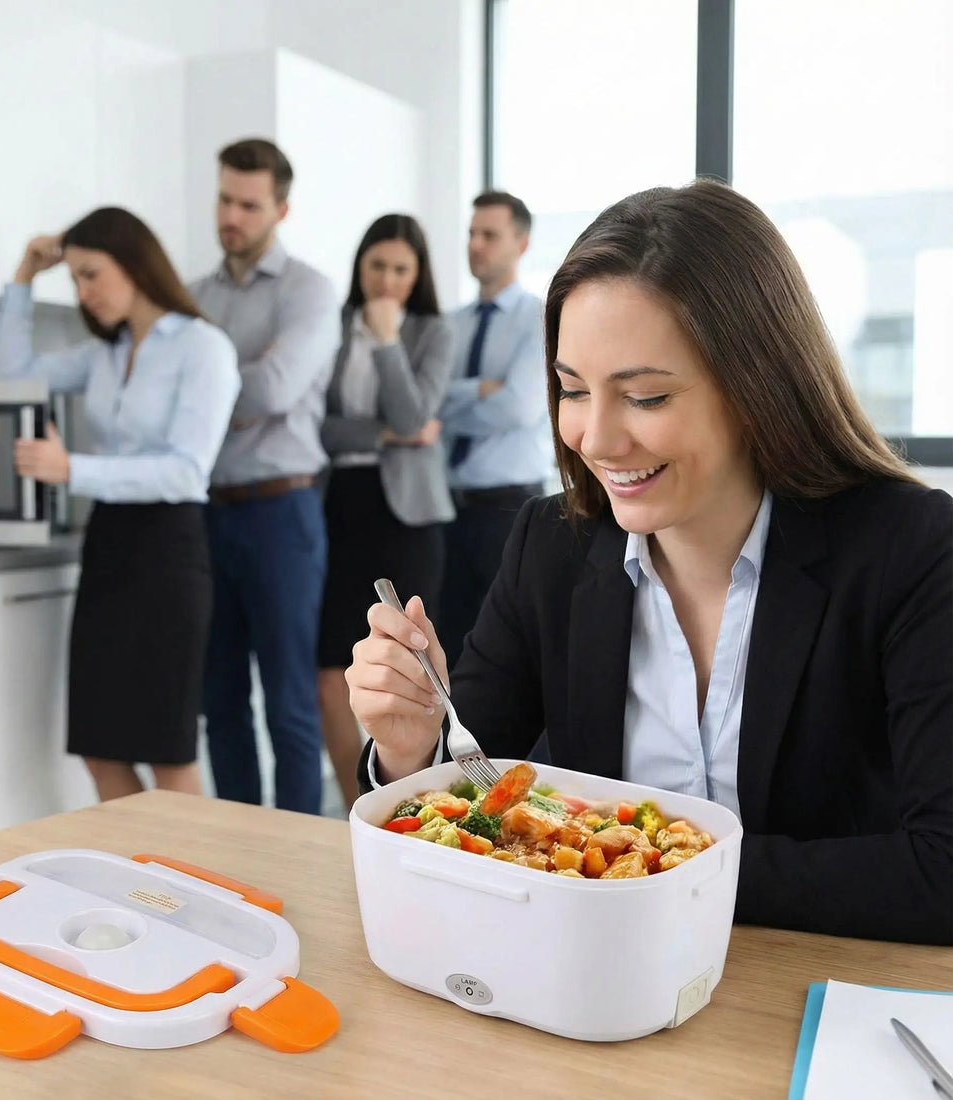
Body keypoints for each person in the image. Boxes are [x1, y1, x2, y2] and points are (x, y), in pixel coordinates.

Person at [347, 179, 953, 945]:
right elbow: (476, 794)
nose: (596, 440)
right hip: (593, 979)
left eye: (645, 397)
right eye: (573, 390)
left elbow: (941, 871)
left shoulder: (909, 547)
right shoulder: (551, 546)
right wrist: (411, 751)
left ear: (757, 385)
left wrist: (654, 873)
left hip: (811, 984)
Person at [0, 206, 239, 801]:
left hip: (168, 552)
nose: (83, 293)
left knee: (168, 751)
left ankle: (189, 863)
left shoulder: (203, 347)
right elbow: (11, 374)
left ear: (133, 263)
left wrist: (71, 469)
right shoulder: (104, 352)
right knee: (100, 748)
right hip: (108, 547)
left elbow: (186, 470)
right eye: (74, 278)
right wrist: (23, 276)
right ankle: (136, 862)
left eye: (91, 275)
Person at [189, 138, 338, 815]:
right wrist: (234, 392)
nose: (232, 217)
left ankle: (298, 848)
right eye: (225, 200)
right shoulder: (192, 296)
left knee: (289, 701)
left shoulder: (308, 290)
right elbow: (202, 395)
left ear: (281, 209)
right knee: (219, 700)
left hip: (282, 514)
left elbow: (276, 388)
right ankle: (237, 848)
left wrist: (208, 394)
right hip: (206, 513)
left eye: (249, 205)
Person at [317, 214, 455, 810]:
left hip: (408, 516)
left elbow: (412, 414)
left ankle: (413, 804)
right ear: (359, 266)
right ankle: (355, 800)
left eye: (401, 269)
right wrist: (388, 434)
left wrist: (387, 339)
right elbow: (320, 427)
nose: (387, 280)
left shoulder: (433, 331)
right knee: (329, 665)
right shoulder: (332, 326)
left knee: (411, 661)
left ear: (418, 275)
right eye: (377, 266)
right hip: (337, 505)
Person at [438, 191, 551, 674]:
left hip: (509, 510)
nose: (476, 245)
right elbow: (426, 403)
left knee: (510, 653)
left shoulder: (540, 318)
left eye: (489, 235)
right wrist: (480, 389)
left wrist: (448, 404)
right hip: (448, 510)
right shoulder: (448, 325)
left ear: (521, 243)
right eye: (472, 234)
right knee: (447, 652)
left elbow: (518, 407)